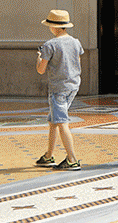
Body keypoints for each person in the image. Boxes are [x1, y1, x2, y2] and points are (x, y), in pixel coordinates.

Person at [35, 10, 83, 170]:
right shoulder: (76, 42)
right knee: (53, 121)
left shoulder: (50, 45)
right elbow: (77, 62)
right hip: (73, 85)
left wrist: (39, 58)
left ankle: (72, 159)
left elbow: (41, 70)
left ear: (53, 27)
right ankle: (48, 156)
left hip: (58, 88)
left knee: (62, 122)